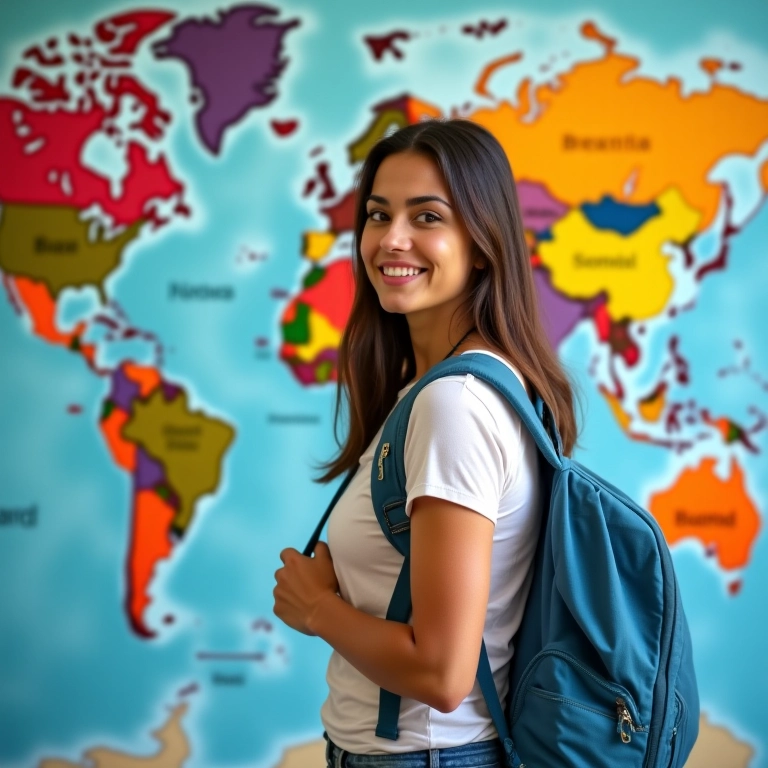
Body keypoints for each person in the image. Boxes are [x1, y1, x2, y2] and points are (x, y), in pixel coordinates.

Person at [273, 119, 577, 767]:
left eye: (427, 216)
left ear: (483, 244)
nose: (392, 239)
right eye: (379, 215)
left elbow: (441, 672)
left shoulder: (454, 405)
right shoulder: (442, 384)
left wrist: (317, 608)